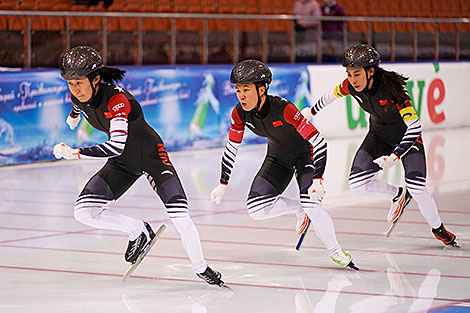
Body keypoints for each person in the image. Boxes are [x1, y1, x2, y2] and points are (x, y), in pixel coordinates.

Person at [53, 45, 225, 286]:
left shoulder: (117, 100)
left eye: (79, 82)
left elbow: (115, 147)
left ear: (96, 79)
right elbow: (78, 106)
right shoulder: (78, 96)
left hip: (151, 157)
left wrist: (76, 153)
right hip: (123, 164)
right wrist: (72, 118)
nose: (75, 89)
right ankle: (137, 229)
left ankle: (201, 267)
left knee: (180, 217)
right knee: (83, 211)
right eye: (70, 84)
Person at [302, 44, 458, 247]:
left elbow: (415, 127)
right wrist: (312, 112)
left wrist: (395, 156)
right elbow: (331, 95)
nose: (352, 80)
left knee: (418, 187)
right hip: (378, 135)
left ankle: (438, 229)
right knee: (357, 184)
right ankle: (398, 195)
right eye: (348, 74)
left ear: (371, 71)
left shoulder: (393, 91)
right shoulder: (350, 85)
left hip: (406, 138)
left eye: (356, 74)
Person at [210, 59, 357, 269]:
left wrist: (318, 178)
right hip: (278, 158)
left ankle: (335, 251)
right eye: (237, 90)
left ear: (262, 89)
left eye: (246, 89)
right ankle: (299, 209)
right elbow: (232, 147)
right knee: (256, 209)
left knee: (313, 206)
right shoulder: (239, 113)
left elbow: (318, 141)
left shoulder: (284, 108)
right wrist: (223, 183)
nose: (241, 95)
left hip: (305, 156)